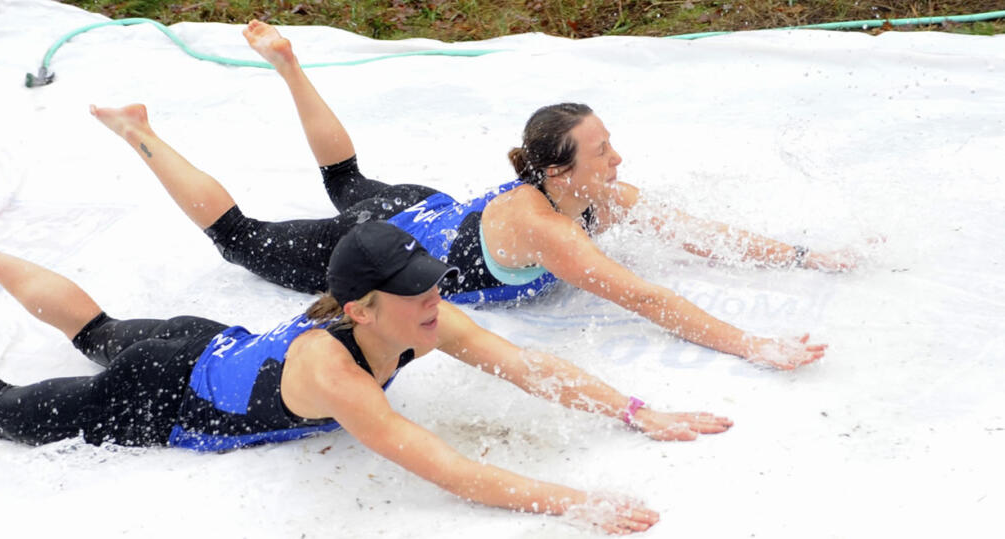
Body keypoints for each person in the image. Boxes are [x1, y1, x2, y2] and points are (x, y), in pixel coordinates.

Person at [0, 220, 732, 534]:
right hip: (159, 395)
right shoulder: (337, 372)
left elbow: (533, 363)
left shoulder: (419, 318)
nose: (437, 306)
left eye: (435, 286)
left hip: (211, 344)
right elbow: (443, 466)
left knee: (99, 326)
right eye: (415, 296)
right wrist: (577, 502)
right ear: (362, 306)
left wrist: (642, 409)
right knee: (2, 408)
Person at [91, 20, 850, 371]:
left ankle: (288, 65)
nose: (618, 160)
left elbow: (693, 232)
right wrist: (751, 342)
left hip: (432, 211)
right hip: (391, 241)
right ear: (559, 172)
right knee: (243, 239)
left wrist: (803, 256)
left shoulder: (589, 191)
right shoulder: (554, 229)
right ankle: (139, 133)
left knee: (349, 181)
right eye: (602, 151)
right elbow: (645, 297)